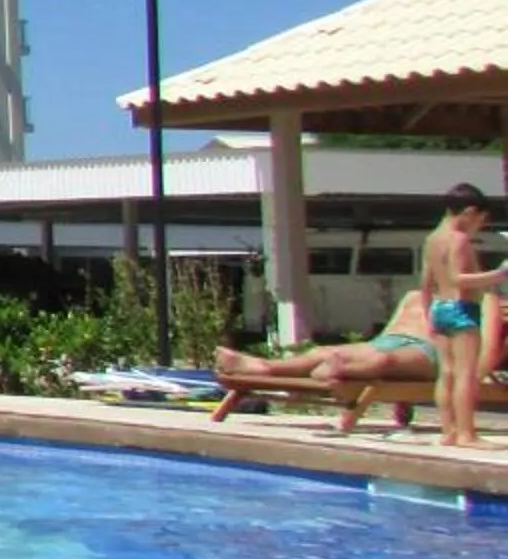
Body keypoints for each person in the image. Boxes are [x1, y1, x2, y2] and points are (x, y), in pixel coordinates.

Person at [215, 290, 440, 430]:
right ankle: (264, 367)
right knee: (322, 352)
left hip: (429, 351)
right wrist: (371, 345)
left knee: (383, 361)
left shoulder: (468, 299)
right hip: (387, 341)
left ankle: (344, 370)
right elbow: (392, 327)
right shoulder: (414, 296)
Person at [420, 184, 507, 447]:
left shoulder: (433, 238)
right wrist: (500, 273)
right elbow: (459, 279)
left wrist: (428, 315)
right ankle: (467, 434)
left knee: (446, 373)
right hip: (460, 309)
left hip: (440, 307)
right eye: (480, 219)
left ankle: (449, 432)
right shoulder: (458, 239)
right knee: (465, 374)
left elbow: (426, 282)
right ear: (469, 211)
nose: (478, 226)